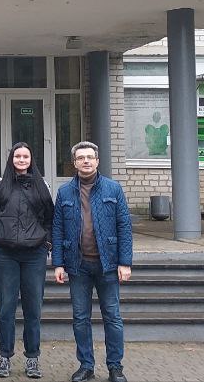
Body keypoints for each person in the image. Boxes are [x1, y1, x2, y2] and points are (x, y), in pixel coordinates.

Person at [52, 142, 133, 382]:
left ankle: (115, 367)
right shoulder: (65, 192)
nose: (86, 161)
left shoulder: (113, 189)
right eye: (81, 158)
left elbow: (124, 226)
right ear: (74, 163)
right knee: (80, 318)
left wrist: (125, 262)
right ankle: (86, 366)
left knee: (113, 317)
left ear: (97, 161)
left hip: (108, 264)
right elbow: (57, 229)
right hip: (78, 265)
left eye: (90, 157)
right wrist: (58, 263)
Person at [0, 142, 54, 379]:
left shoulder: (42, 185)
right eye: (17, 156)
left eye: (25, 156)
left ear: (31, 159)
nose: (21, 160)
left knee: (33, 308)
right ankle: (4, 356)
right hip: (5, 254)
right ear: (11, 159)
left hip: (34, 255)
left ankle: (32, 358)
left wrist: (47, 243)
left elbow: (50, 218)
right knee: (6, 308)